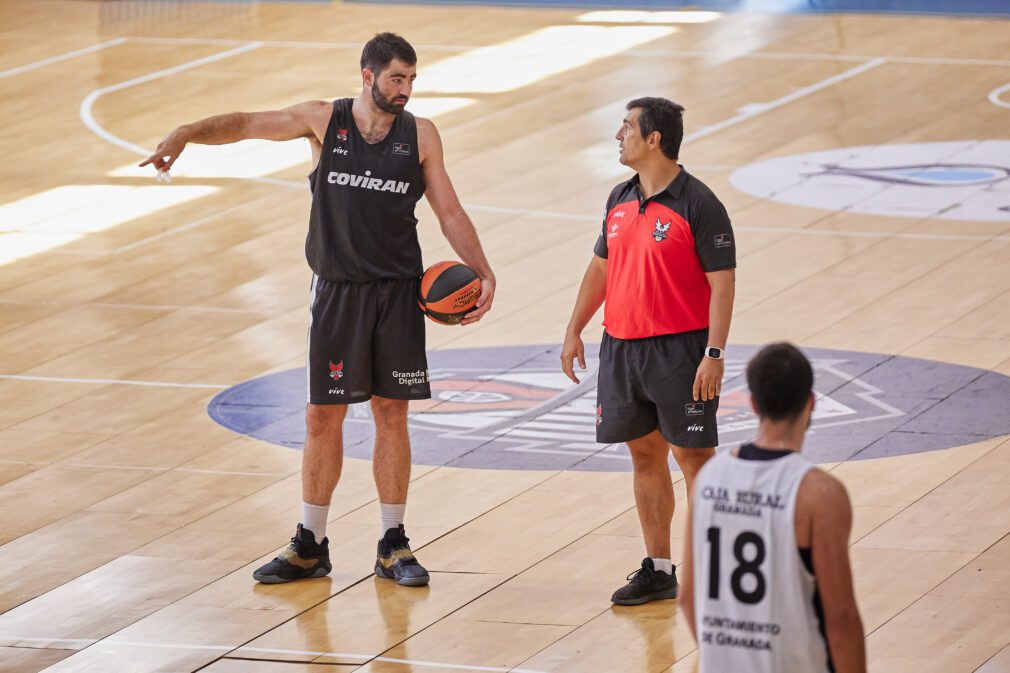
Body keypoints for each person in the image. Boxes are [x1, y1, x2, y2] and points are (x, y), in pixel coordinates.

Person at [141, 32, 495, 587]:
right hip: (337, 292)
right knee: (320, 417)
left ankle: (393, 542)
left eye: (411, 80)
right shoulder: (323, 121)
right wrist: (186, 133)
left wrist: (483, 270)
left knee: (390, 414)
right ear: (367, 75)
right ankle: (310, 544)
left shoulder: (420, 135)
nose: (405, 90)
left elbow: (448, 210)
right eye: (396, 78)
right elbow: (245, 124)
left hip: (397, 294)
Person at [561, 97, 736, 605]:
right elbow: (600, 268)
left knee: (695, 457)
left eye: (627, 127)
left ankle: (713, 569)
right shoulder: (619, 196)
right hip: (621, 347)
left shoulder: (699, 203)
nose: (619, 135)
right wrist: (575, 328)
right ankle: (659, 569)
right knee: (643, 454)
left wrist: (714, 354)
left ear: (654, 138)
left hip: (681, 350)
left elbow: (722, 284)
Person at [680, 343, 866, 673]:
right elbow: (840, 618)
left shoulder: (709, 479)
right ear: (811, 402)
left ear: (753, 404)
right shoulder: (819, 493)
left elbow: (688, 598)